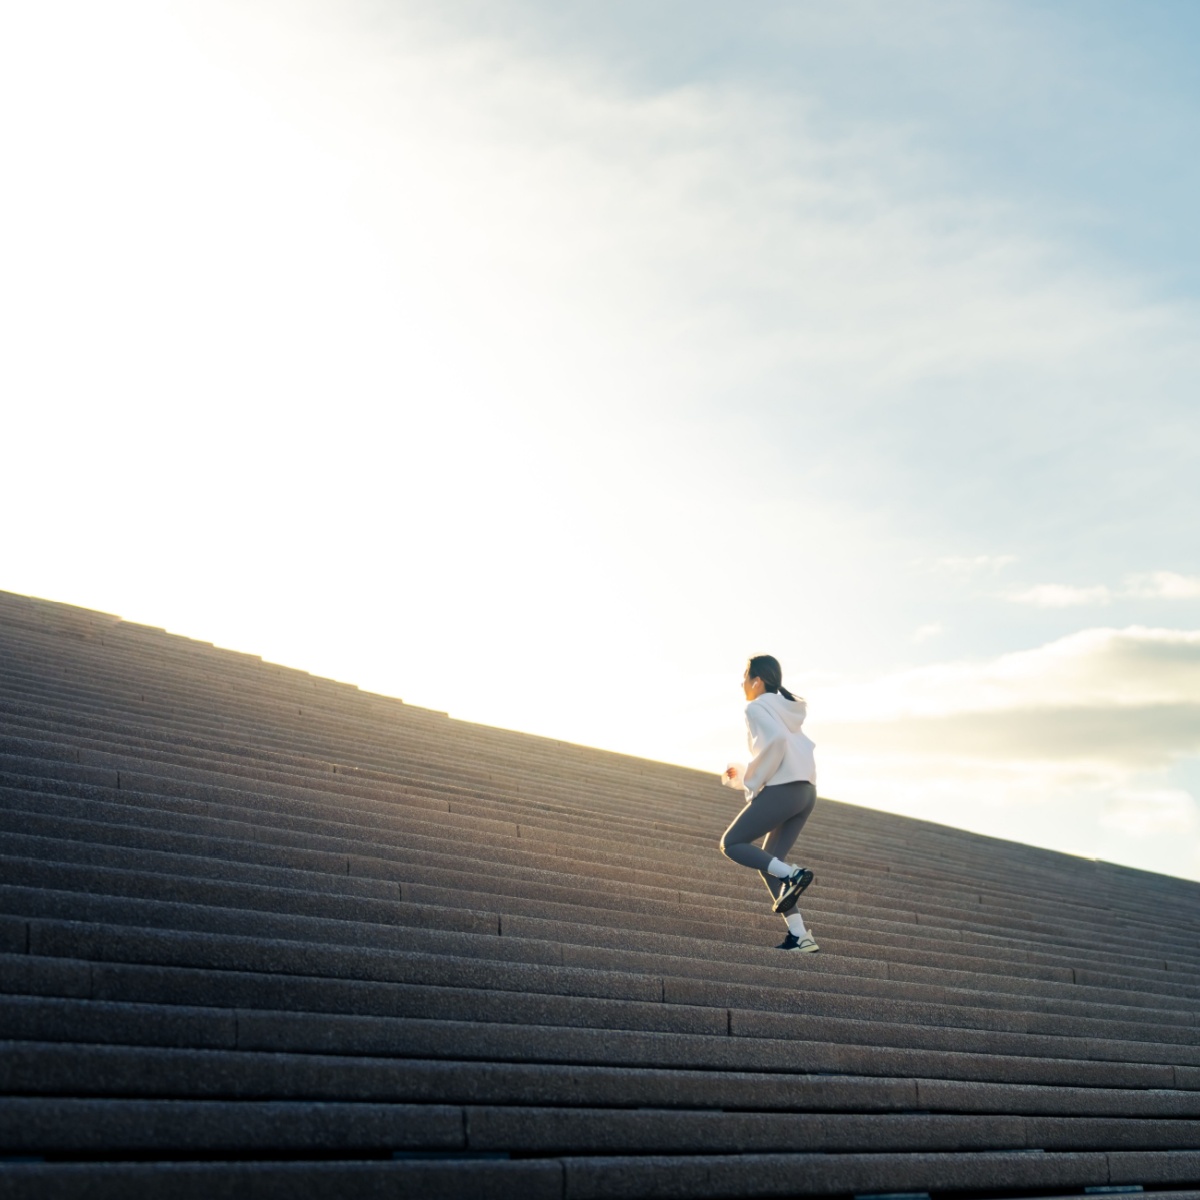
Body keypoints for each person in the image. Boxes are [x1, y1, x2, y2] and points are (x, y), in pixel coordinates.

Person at [720, 655, 819, 952]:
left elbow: (773, 741)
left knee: (732, 843)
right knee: (770, 862)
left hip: (785, 790)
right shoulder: (786, 709)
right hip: (807, 792)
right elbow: (782, 748)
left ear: (757, 681)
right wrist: (745, 771)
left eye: (744, 676)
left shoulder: (756, 706)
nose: (741, 684)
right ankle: (801, 936)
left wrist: (751, 782)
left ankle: (793, 875)